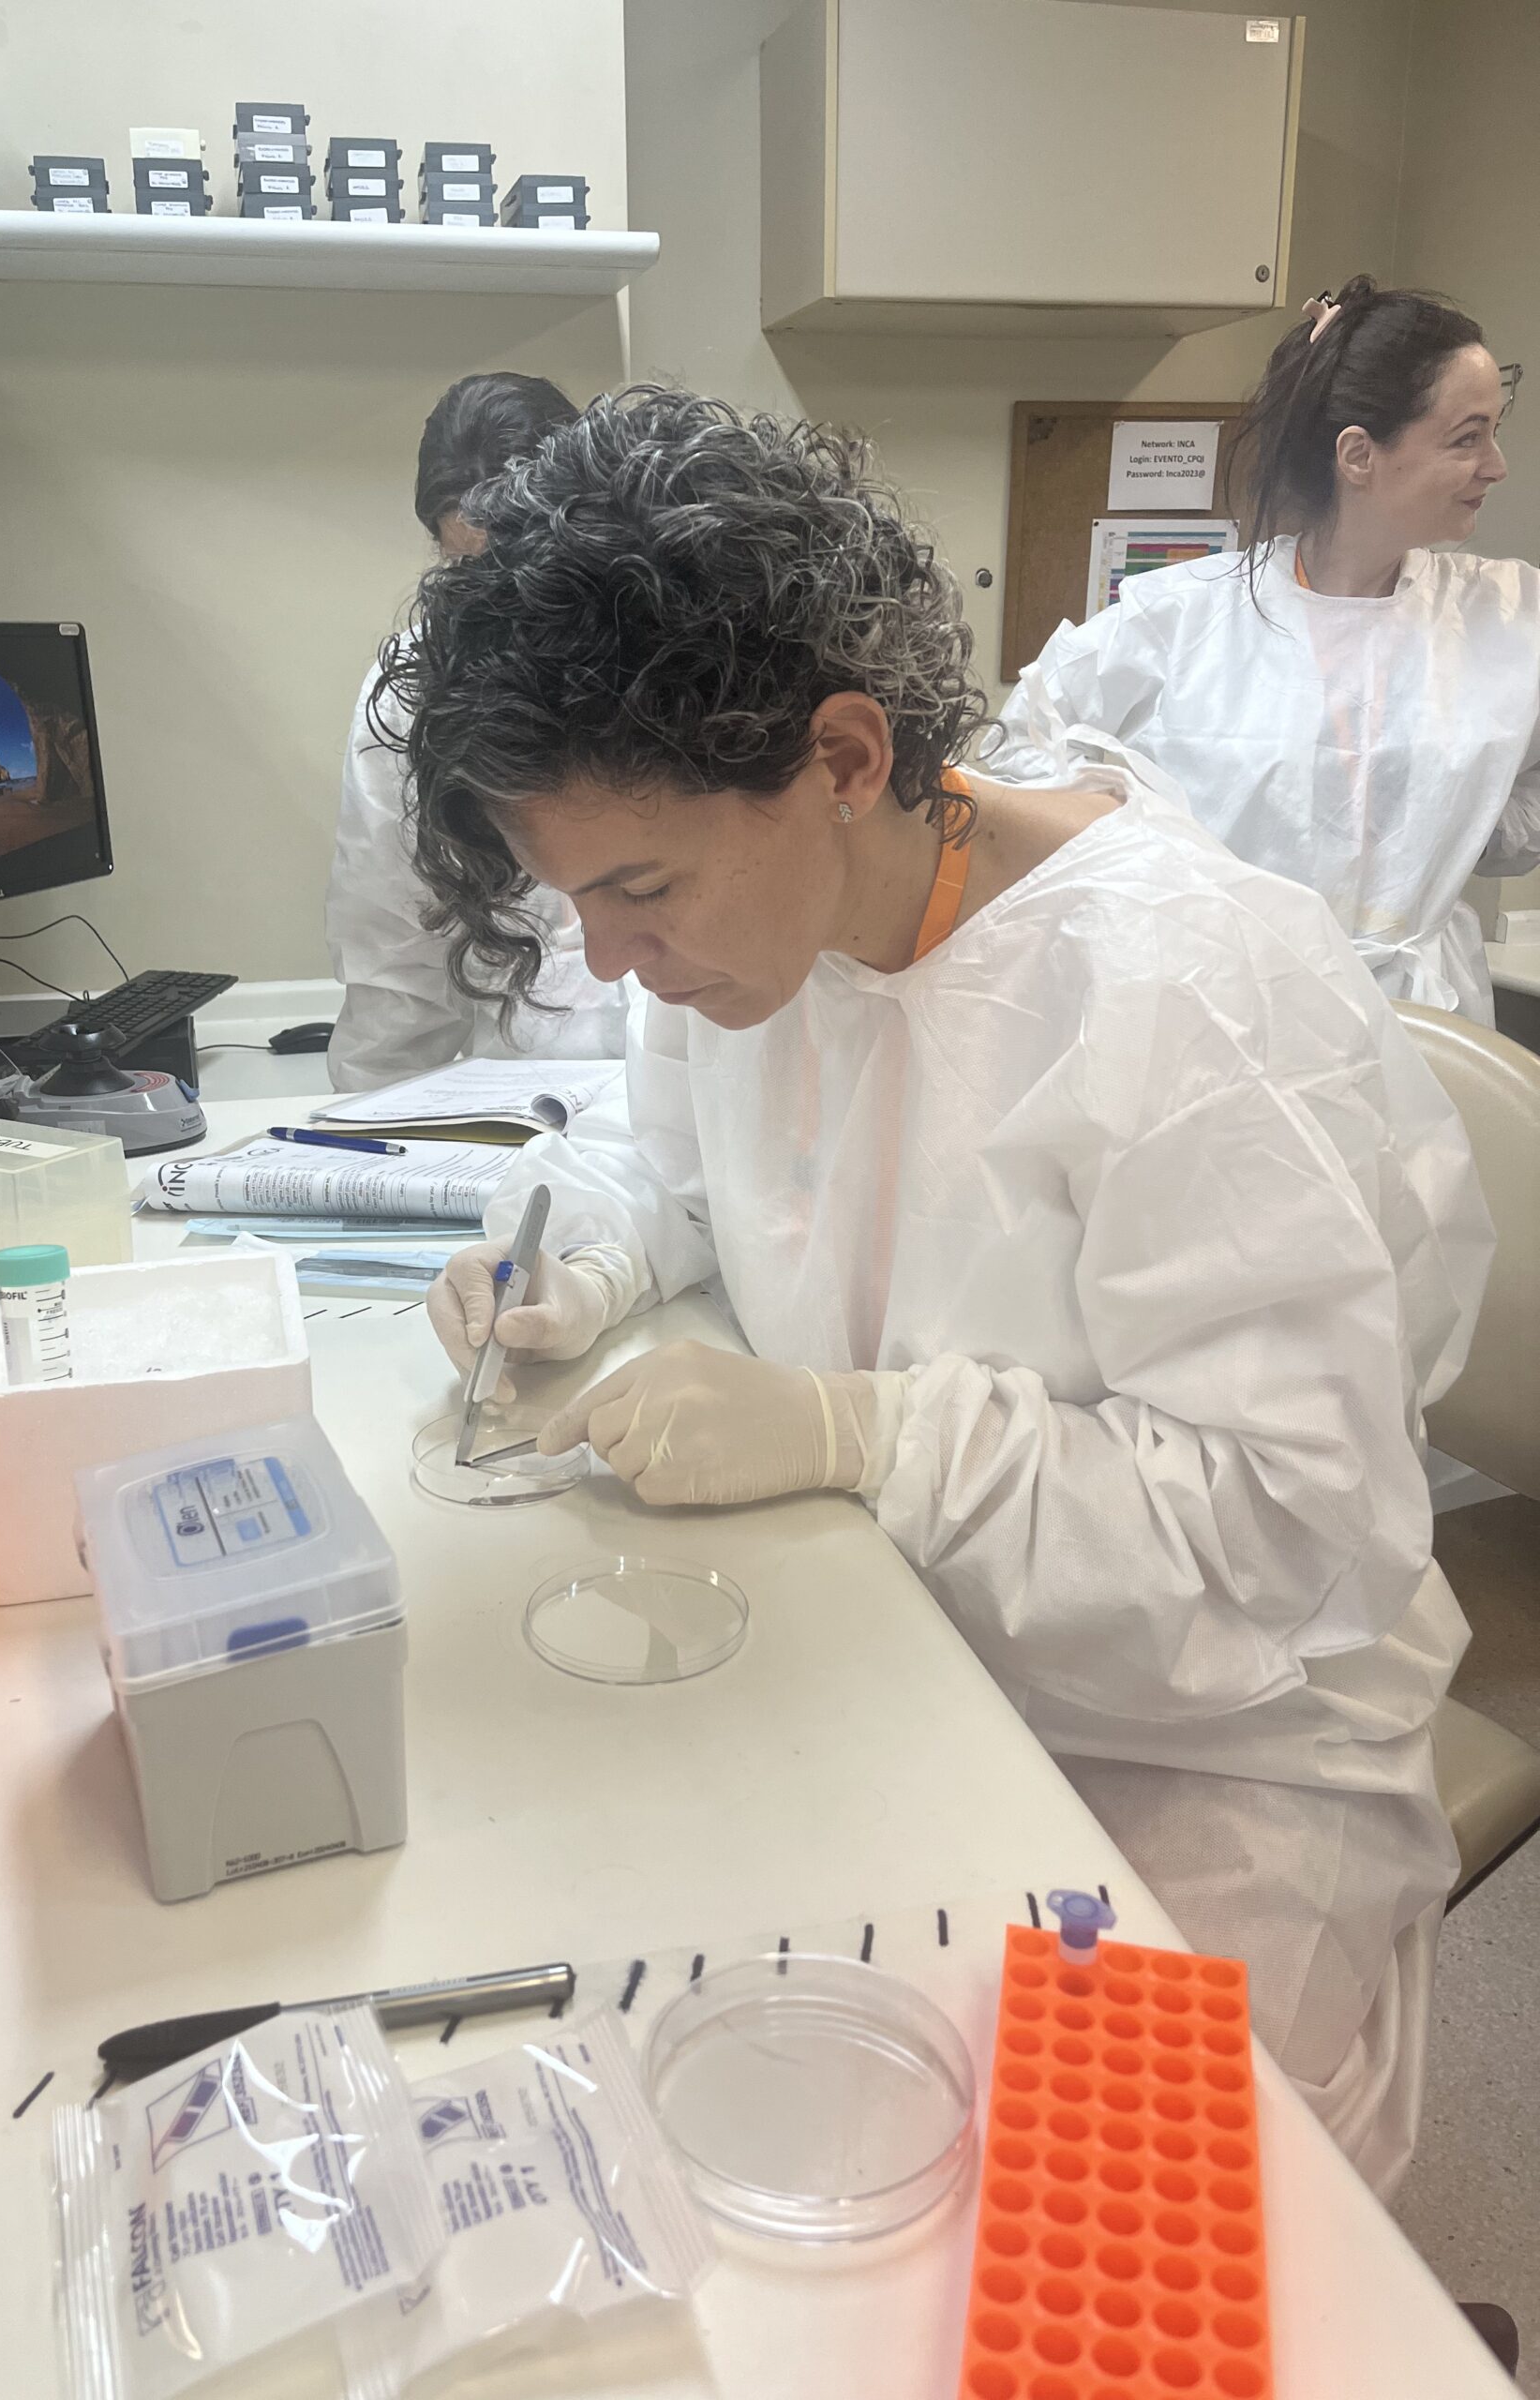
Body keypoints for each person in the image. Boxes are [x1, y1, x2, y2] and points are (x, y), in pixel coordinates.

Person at [383, 388, 1493, 2197]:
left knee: (1061, 2242)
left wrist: (863, 1433)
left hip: (1205, 1750)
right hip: (904, 1644)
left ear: (839, 756)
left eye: (641, 890)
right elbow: (666, 1160)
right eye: (575, 902)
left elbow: (1279, 1530)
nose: (611, 962)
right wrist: (572, 1250)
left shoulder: (1178, 999)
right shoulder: (768, 938)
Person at [995, 277, 1540, 1024]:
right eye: (1466, 437)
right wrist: (1139, 864)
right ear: (1359, 455)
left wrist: (1464, 823)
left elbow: (1508, 813)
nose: (1496, 465)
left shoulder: (1512, 619)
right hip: (1223, 1012)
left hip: (1421, 1025)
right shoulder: (1181, 621)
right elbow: (1013, 760)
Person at [325, 370, 634, 1092]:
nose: (504, 611)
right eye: (470, 577)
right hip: (524, 1120)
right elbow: (395, 969)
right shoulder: (413, 690)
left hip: (704, 1097)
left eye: (529, 570)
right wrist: (371, 1155)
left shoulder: (669, 643)